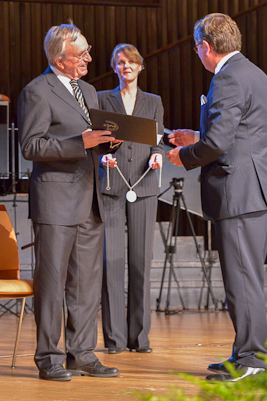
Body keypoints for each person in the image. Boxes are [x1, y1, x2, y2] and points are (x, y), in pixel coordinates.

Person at [166, 13, 267, 382]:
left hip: (239, 192)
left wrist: (182, 156)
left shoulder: (227, 78)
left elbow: (219, 143)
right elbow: (238, 133)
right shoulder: (254, 74)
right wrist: (195, 136)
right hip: (255, 190)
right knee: (245, 279)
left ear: (205, 47)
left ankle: (253, 360)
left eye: (197, 49)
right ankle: (245, 353)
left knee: (241, 280)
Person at [18, 22, 121, 382]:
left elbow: (93, 139)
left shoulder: (89, 91)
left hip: (90, 199)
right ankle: (49, 357)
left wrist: (110, 143)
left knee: (87, 284)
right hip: (56, 201)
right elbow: (32, 146)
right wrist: (83, 143)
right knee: (52, 283)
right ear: (60, 59)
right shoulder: (36, 91)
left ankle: (83, 354)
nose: (89, 59)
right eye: (82, 55)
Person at [97, 44, 164, 355]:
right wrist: (102, 159)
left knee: (140, 262)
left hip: (143, 184)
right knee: (112, 262)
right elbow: (95, 142)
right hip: (111, 186)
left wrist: (157, 156)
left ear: (140, 67)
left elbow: (158, 141)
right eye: (120, 62)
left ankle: (140, 338)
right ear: (115, 67)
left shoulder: (153, 102)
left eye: (131, 62)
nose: (126, 66)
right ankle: (114, 340)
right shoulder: (101, 99)